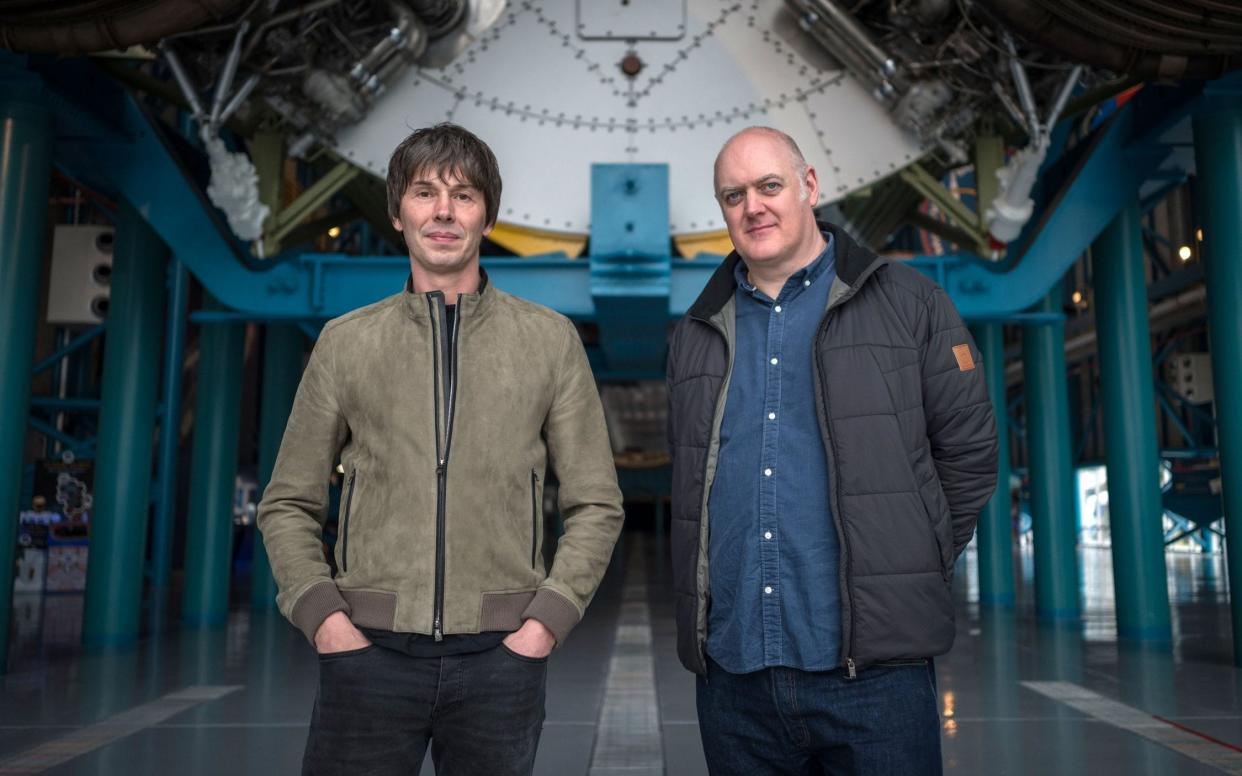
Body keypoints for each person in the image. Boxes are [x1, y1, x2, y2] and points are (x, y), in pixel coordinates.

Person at [258, 123, 624, 776]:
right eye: (425, 193)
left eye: (464, 195)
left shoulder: (549, 342)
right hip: (366, 657)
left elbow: (596, 503)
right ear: (399, 212)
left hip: (501, 665)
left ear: (488, 214)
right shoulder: (346, 343)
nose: (444, 211)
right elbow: (288, 501)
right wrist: (327, 623)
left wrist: (542, 627)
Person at [665, 126, 998, 775]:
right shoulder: (696, 334)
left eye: (769, 186)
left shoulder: (910, 306)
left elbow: (970, 453)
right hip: (735, 679)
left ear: (809, 186)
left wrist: (914, 552)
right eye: (734, 195)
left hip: (876, 677)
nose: (753, 207)